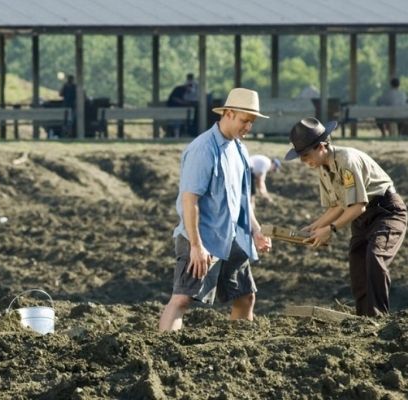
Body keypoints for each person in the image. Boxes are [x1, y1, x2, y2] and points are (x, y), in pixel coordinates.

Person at [158, 88, 272, 332]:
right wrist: (197, 246)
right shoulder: (203, 149)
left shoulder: (240, 149)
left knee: (245, 296)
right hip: (204, 237)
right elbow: (190, 200)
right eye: (244, 121)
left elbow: (242, 199)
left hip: (232, 238)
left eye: (251, 122)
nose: (247, 127)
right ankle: (162, 350)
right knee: (182, 299)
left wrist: (255, 230)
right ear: (228, 113)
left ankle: (239, 344)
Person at [285, 117, 407, 316]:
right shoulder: (323, 168)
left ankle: (379, 317)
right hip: (361, 217)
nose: (304, 161)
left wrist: (330, 229)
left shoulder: (346, 160)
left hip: (386, 211)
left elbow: (358, 205)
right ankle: (364, 319)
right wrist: (312, 227)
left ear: (322, 146)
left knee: (375, 257)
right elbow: (336, 206)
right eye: (300, 157)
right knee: (357, 264)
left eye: (306, 155)